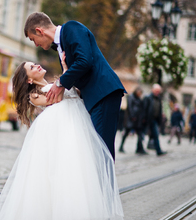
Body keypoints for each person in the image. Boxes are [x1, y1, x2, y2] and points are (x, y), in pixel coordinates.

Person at [0, 61, 124, 220]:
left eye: (34, 64)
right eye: (32, 67)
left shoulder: (58, 82)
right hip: (60, 130)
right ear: (28, 79)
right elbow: (57, 98)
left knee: (79, 174)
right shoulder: (35, 95)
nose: (37, 65)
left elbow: (76, 94)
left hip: (77, 127)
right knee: (61, 173)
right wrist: (67, 71)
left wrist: (68, 76)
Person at [23, 12, 126, 161]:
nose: (36, 44)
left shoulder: (71, 28)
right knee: (95, 150)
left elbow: (85, 61)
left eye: (34, 39)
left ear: (40, 31)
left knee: (102, 150)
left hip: (103, 93)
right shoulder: (60, 46)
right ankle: (99, 184)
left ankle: (105, 185)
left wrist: (60, 83)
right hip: (93, 97)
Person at [118, 87, 147, 154]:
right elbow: (130, 107)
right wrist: (132, 116)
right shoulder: (131, 97)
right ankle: (121, 146)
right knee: (126, 133)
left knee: (140, 134)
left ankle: (139, 148)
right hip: (131, 119)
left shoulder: (139, 99)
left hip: (138, 119)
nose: (140, 94)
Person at [144, 84, 167, 156]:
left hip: (154, 120)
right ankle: (139, 148)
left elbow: (159, 108)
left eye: (159, 91)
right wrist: (143, 119)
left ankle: (158, 150)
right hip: (148, 119)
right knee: (141, 134)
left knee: (156, 134)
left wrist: (161, 116)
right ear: (152, 90)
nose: (157, 92)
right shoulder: (148, 98)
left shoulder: (159, 98)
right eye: (156, 91)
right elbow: (144, 109)